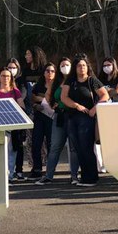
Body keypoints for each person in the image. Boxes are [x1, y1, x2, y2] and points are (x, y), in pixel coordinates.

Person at [61, 56, 110, 187]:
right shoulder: (70, 81)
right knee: (78, 148)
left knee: (86, 147)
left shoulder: (92, 80)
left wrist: (95, 108)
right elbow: (64, 97)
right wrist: (76, 105)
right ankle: (84, 177)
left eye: (84, 65)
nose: (81, 68)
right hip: (72, 117)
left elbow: (105, 95)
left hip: (87, 118)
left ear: (87, 67)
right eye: (79, 65)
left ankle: (91, 178)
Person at [36, 57, 80, 185]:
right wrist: (52, 104)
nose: (65, 67)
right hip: (59, 116)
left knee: (73, 147)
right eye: (62, 65)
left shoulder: (76, 80)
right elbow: (47, 95)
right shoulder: (56, 82)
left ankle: (74, 176)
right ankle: (48, 176)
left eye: (67, 65)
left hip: (73, 116)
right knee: (55, 146)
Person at [0, 69, 25, 181]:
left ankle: (9, 176)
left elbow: (22, 107)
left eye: (8, 76)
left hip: (12, 125)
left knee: (11, 151)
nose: (5, 78)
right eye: (3, 76)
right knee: (0, 151)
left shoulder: (16, 92)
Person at [29, 62, 56, 178]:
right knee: (36, 143)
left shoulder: (57, 86)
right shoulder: (38, 86)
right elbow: (32, 99)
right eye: (47, 71)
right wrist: (36, 105)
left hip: (52, 117)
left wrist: (42, 99)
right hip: (39, 116)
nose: (50, 73)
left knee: (51, 144)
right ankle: (37, 168)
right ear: (44, 73)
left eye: (52, 71)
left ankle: (50, 169)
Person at [6, 58, 28, 180]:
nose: (11, 70)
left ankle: (19, 170)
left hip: (17, 116)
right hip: (5, 117)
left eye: (14, 68)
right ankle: (9, 171)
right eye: (9, 67)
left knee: (17, 144)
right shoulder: (2, 81)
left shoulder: (21, 81)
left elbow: (23, 95)